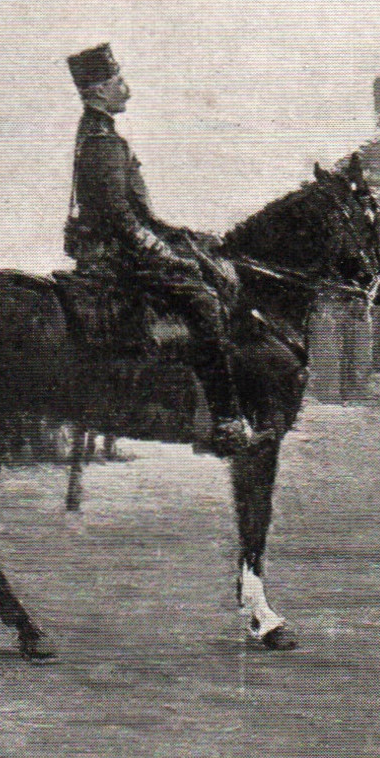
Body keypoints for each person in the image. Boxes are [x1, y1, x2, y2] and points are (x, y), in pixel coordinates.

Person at [63, 43, 258, 456]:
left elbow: (137, 213)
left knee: (203, 265)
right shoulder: (101, 142)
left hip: (119, 246)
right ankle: (224, 421)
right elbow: (120, 217)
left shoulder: (100, 136)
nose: (126, 89)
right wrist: (161, 250)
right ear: (98, 91)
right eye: (118, 82)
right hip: (117, 256)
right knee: (204, 302)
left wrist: (187, 236)